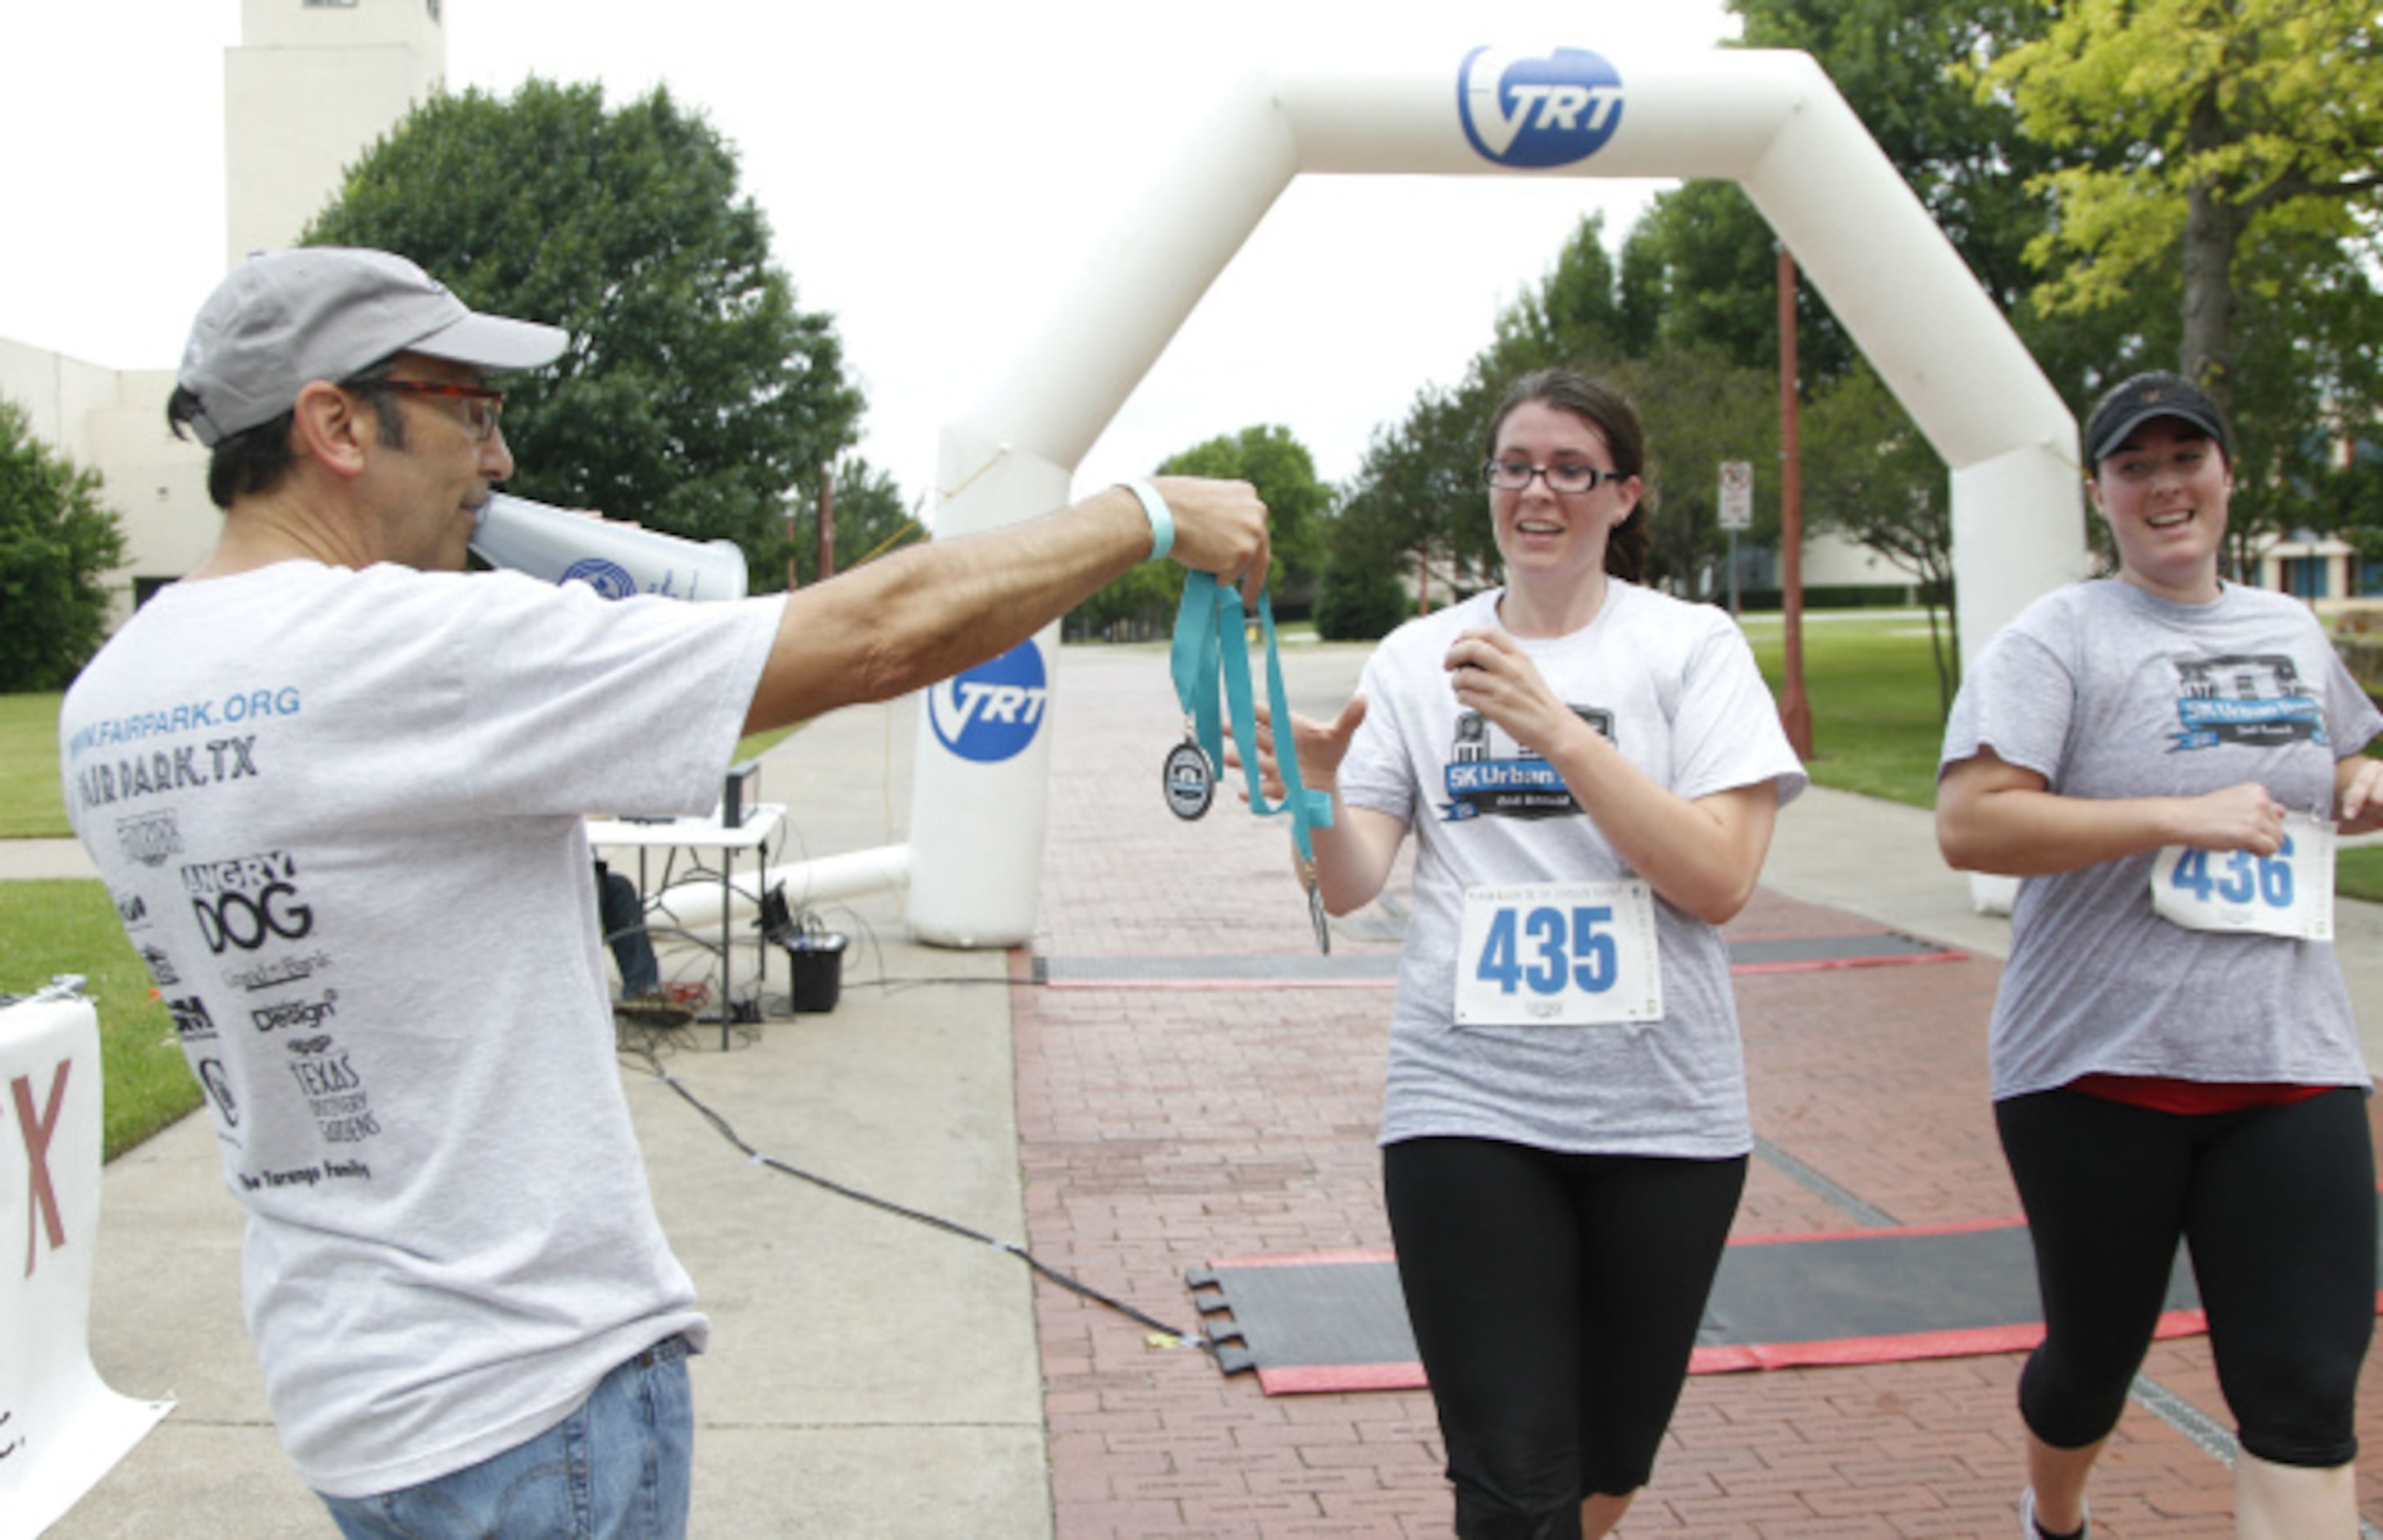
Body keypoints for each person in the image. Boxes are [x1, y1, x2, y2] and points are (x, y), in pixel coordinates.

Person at [57, 246, 1268, 1537]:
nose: (499, 459)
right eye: (471, 410)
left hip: (350, 1385)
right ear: (337, 423)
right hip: (528, 1389)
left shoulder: (114, 698)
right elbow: (874, 634)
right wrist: (1140, 514)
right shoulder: (401, 649)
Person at [1246, 368, 1806, 1538]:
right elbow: (1351, 886)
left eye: (1567, 469)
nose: (1535, 491)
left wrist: (1557, 732)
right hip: (1466, 1107)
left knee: (1605, 1463)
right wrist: (1312, 794)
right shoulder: (1417, 657)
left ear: (1621, 495)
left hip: (1663, 1118)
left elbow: (1717, 878)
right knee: (1507, 1477)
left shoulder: (1689, 647)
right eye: (1513, 466)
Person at [1936, 370, 2383, 1540]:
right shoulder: (2059, 637)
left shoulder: (2285, 626)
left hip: (2290, 1063)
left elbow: (2338, 758)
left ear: (2227, 474)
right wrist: (2169, 814)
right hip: (2095, 1068)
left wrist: (2356, 779)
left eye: (2186, 457)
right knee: (2090, 1364)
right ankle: (2053, 1512)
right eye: (2134, 465)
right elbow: (1970, 822)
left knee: (2302, 1389)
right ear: (2100, 492)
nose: (2164, 484)